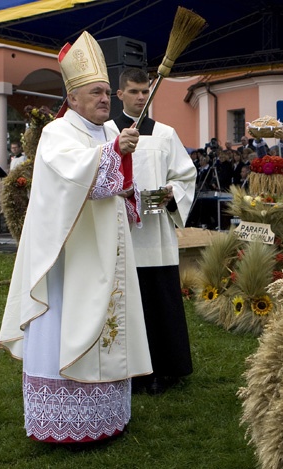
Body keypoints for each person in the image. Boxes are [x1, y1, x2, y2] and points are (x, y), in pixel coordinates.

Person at [0, 31, 151, 443]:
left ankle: (105, 417)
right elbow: (72, 175)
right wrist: (115, 152)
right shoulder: (58, 133)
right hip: (68, 260)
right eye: (97, 93)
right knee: (65, 322)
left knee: (108, 326)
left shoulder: (106, 132)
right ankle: (62, 420)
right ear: (75, 98)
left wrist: (125, 168)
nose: (106, 99)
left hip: (106, 256)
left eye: (107, 92)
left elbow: (117, 184)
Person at [106, 67, 197, 394]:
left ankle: (166, 369)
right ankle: (127, 372)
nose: (141, 96)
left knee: (160, 302)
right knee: (126, 304)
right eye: (133, 91)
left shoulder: (165, 134)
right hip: (120, 234)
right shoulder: (105, 134)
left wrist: (173, 192)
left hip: (156, 234)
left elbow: (186, 175)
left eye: (145, 91)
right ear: (120, 95)